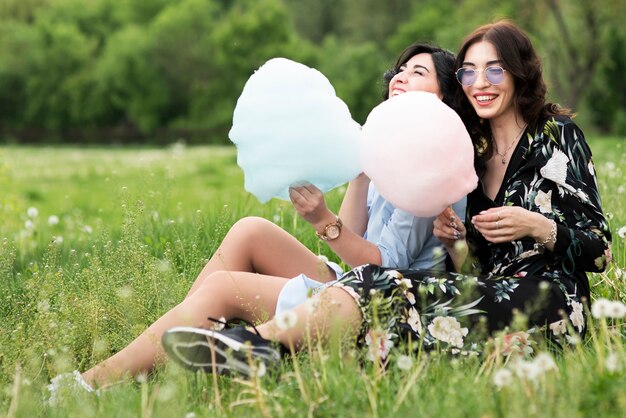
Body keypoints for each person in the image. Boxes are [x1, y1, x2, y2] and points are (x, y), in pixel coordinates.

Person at [161, 20, 611, 376]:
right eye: (469, 72)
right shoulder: (468, 153)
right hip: (485, 291)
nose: (481, 82)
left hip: (549, 302)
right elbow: (470, 266)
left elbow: (600, 251)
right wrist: (455, 241)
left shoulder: (555, 136)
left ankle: (257, 346)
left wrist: (537, 225)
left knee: (382, 280)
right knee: (380, 284)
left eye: (494, 69)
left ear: (519, 73)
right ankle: (246, 344)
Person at [47, 42, 465, 396]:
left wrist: (322, 219)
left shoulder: (428, 164)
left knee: (225, 288)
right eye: (401, 69)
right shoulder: (391, 147)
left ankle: (91, 385)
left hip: (384, 305)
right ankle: (171, 341)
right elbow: (355, 239)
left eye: (418, 72)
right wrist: (362, 173)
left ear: (443, 98)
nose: (400, 76)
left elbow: (380, 269)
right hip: (358, 282)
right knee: (250, 231)